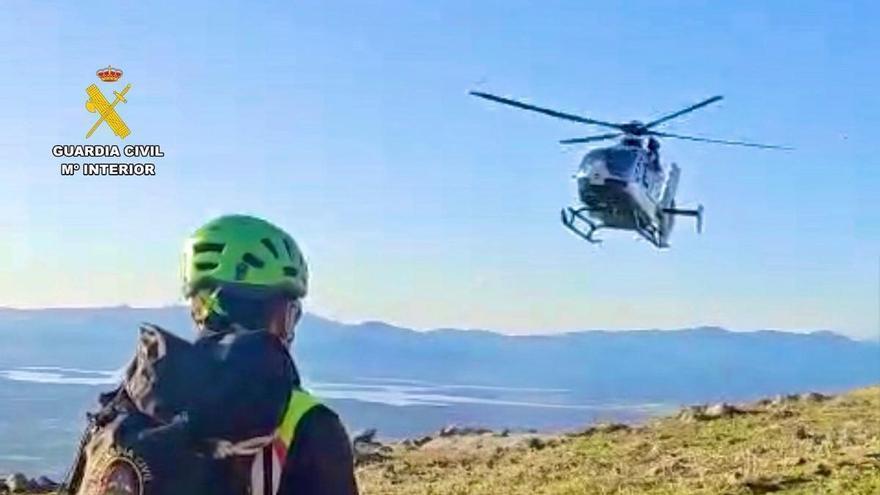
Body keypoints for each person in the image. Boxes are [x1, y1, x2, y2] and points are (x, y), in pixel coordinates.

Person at [179, 214, 360, 495]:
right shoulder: (309, 423)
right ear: (281, 316)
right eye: (292, 315)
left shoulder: (142, 399)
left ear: (199, 308)